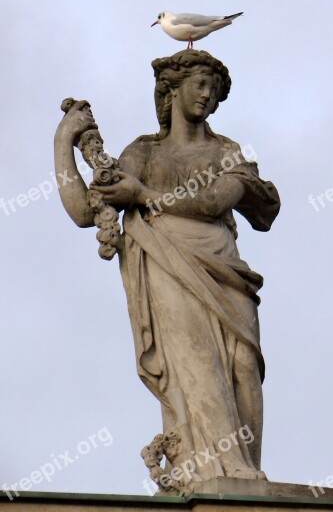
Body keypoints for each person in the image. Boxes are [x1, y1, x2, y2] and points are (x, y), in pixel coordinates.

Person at [54, 49, 280, 489]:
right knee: (199, 364)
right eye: (199, 84)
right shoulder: (143, 153)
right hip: (165, 263)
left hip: (223, 269)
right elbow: (85, 211)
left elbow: (217, 202)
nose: (207, 95)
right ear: (171, 91)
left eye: (213, 89)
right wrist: (64, 143)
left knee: (244, 365)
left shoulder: (226, 151)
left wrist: (143, 196)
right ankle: (219, 471)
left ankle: (245, 470)